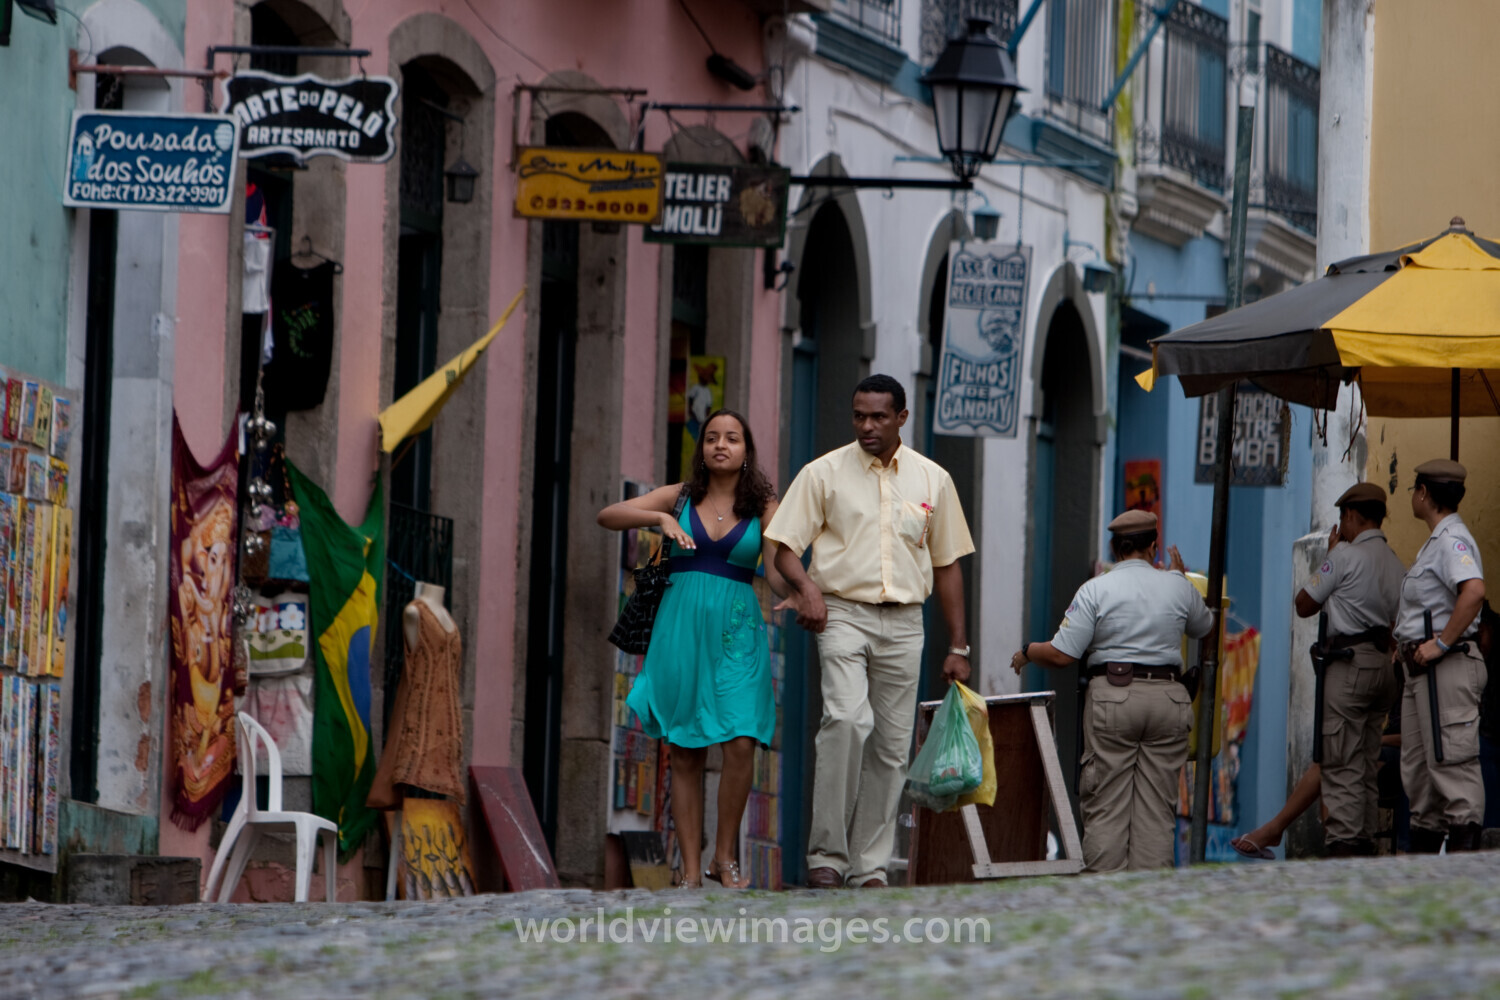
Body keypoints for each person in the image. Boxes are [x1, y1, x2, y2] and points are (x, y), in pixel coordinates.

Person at [767, 374, 974, 889]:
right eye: (859, 415)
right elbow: (784, 546)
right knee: (844, 719)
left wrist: (958, 644)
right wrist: (807, 590)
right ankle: (827, 857)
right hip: (840, 614)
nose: (867, 426)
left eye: (879, 416)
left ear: (902, 417)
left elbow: (947, 564)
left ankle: (869, 866)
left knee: (890, 745)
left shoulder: (933, 480)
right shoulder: (824, 474)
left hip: (906, 623)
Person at [596, 409, 786, 889]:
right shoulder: (679, 496)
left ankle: (724, 857)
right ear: (701, 449)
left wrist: (801, 591)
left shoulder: (765, 504)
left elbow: (780, 564)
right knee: (685, 749)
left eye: (733, 438)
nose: (721, 445)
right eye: (712, 438)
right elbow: (608, 515)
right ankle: (687, 866)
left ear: (747, 451)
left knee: (742, 740)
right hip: (679, 632)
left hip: (739, 633)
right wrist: (658, 517)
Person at [1011, 511, 1212, 872]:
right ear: (1153, 546)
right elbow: (1204, 625)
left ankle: (1104, 906)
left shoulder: (1096, 589)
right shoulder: (1177, 585)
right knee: (1156, 812)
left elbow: (1061, 654)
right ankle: (1149, 908)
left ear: (1114, 548)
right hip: (1169, 699)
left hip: (1114, 699)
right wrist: (1179, 577)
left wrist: (1027, 652)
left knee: (1107, 807)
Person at [1290, 482, 1406, 856]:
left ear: (1354, 516)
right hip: (1382, 670)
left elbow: (1304, 603)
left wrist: (1329, 558)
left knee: (1340, 764)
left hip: (1349, 666)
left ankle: (1344, 848)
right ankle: (1366, 844)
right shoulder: (1396, 564)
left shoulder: (1344, 556)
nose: (1343, 525)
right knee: (1367, 761)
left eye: (1344, 517)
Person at [1395, 459, 1488, 853]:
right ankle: (1427, 884)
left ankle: (1464, 883)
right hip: (1421, 672)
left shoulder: (1452, 539)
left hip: (1446, 667)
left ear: (1424, 493)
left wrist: (1442, 642)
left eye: (1415, 488)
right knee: (1421, 778)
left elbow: (1474, 592)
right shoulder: (1435, 541)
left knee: (1454, 770)